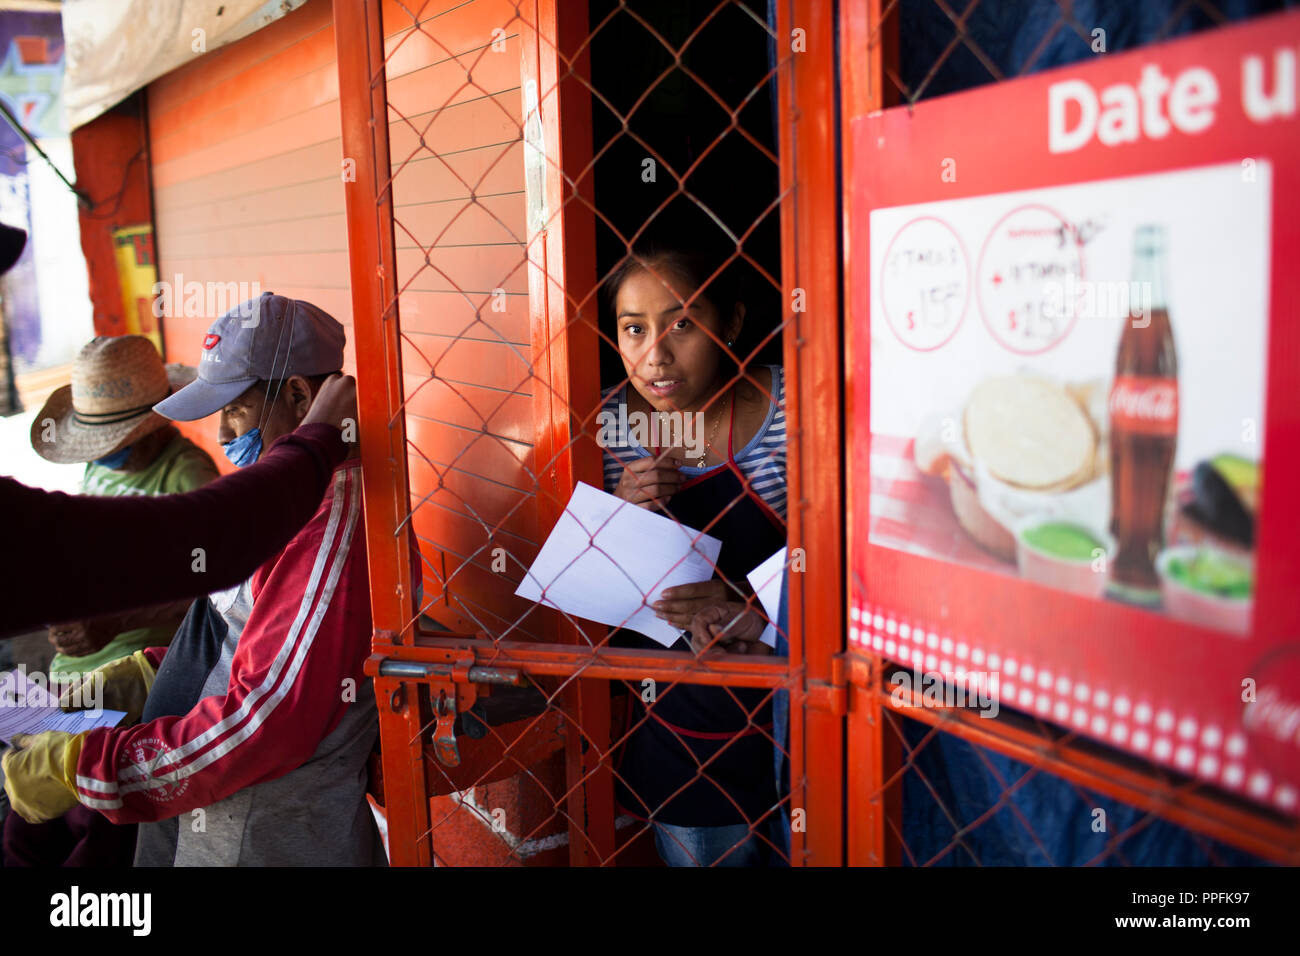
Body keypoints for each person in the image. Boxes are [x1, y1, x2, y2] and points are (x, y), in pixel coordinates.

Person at [3, 294, 416, 866]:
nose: (221, 432)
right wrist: (145, 673)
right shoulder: (278, 505)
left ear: (298, 397)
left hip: (257, 838)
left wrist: (88, 766)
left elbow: (265, 723)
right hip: (210, 822)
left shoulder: (330, 518)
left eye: (236, 411)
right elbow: (236, 632)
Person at [600, 242, 787, 866]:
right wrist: (616, 519)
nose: (656, 355)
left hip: (797, 696)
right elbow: (580, 595)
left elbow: (853, 559)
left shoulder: (793, 412)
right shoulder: (603, 430)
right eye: (634, 329)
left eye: (683, 323)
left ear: (731, 322)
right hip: (679, 730)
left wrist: (755, 610)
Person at [30, 334, 219, 679]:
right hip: (75, 668)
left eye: (115, 441)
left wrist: (121, 618)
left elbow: (221, 582)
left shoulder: (187, 474)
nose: (100, 454)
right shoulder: (98, 468)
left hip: (140, 667)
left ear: (153, 427)